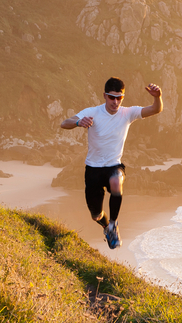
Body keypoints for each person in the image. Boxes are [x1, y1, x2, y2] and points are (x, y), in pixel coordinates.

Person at [61, 77, 163, 249]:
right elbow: (65, 123)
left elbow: (155, 109)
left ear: (123, 97)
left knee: (116, 181)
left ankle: (114, 225)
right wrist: (79, 122)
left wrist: (157, 96)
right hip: (93, 169)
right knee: (96, 215)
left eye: (119, 98)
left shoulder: (128, 113)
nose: (115, 102)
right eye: (111, 97)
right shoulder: (93, 112)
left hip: (114, 166)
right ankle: (106, 226)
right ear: (104, 96)